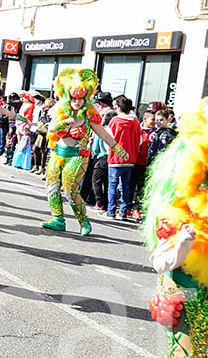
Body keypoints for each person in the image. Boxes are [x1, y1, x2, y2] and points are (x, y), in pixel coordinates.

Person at [115, 95, 208, 358]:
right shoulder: (179, 201)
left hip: (198, 285)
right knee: (183, 355)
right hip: (178, 283)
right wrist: (185, 240)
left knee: (198, 350)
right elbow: (162, 260)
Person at [41, 69, 126, 236]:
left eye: (80, 98)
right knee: (51, 186)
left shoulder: (89, 116)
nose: (77, 101)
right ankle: (58, 219)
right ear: (68, 96)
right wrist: (64, 123)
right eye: (74, 98)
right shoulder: (61, 112)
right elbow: (50, 128)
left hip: (78, 156)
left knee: (70, 189)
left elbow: (103, 133)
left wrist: (117, 148)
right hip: (58, 153)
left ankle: (83, 221)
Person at [106, 95, 141, 220]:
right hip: (130, 158)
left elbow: (108, 138)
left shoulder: (115, 121)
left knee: (113, 185)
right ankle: (123, 212)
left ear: (119, 108)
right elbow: (140, 140)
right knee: (125, 186)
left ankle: (111, 211)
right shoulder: (136, 122)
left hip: (115, 158)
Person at [11, 92, 36, 170]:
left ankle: (22, 161)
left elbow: (28, 116)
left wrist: (23, 121)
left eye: (24, 98)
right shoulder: (23, 105)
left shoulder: (31, 106)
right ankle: (17, 160)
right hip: (19, 123)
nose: (22, 99)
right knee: (19, 142)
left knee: (24, 142)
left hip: (24, 124)